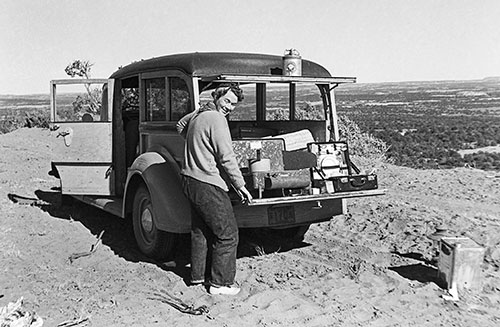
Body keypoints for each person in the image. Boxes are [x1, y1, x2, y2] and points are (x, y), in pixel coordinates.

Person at [179, 83, 253, 295]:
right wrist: (241, 185)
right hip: (208, 182)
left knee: (201, 230)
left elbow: (179, 126)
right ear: (217, 97)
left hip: (189, 178)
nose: (230, 107)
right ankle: (220, 284)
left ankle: (197, 277)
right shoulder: (217, 119)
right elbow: (227, 157)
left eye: (234, 105)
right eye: (227, 101)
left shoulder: (200, 115)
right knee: (228, 234)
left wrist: (198, 141)